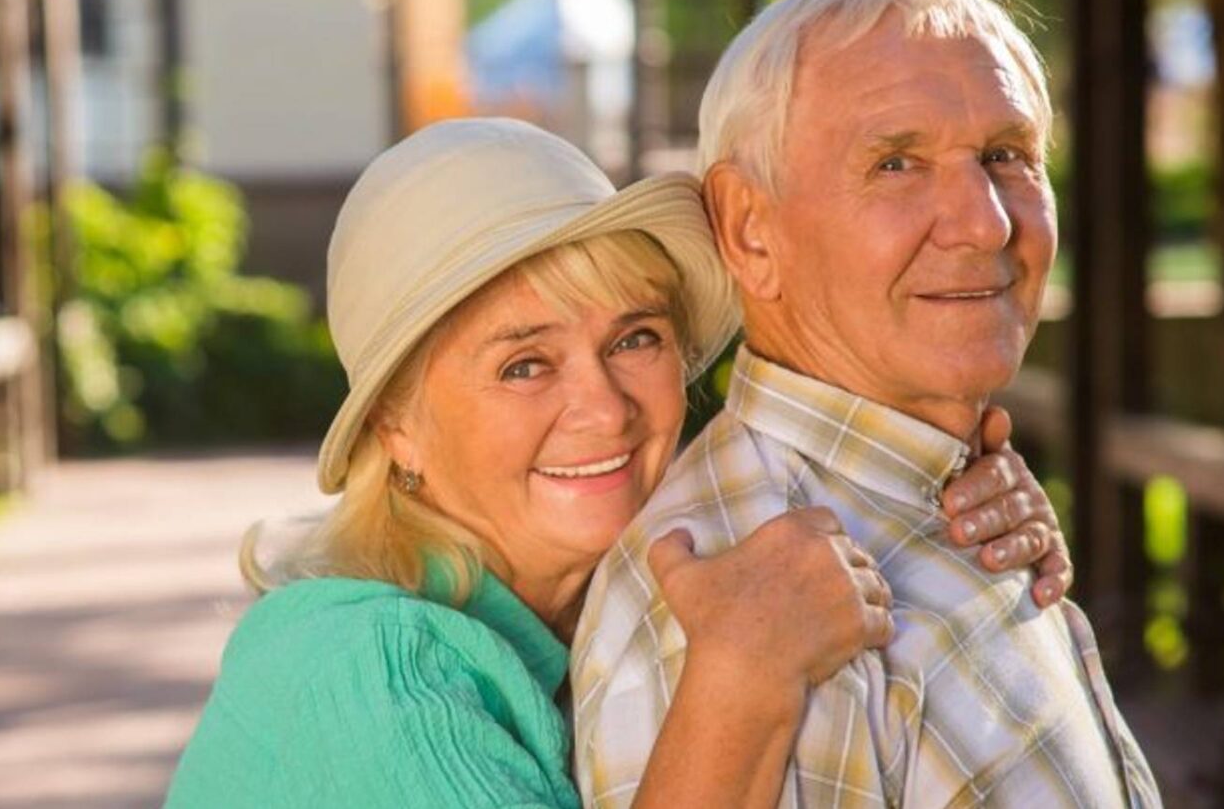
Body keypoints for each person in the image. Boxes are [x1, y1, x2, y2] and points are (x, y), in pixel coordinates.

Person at [167, 117, 1072, 808]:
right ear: (397, 428)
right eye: (524, 364)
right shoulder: (367, 665)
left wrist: (953, 507)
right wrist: (740, 680)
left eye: (635, 338)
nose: (604, 408)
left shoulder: (605, 603)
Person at [570, 0, 1161, 808]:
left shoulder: (955, 499)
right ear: (750, 230)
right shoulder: (735, 603)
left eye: (1006, 155)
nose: (985, 222)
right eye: (896, 163)